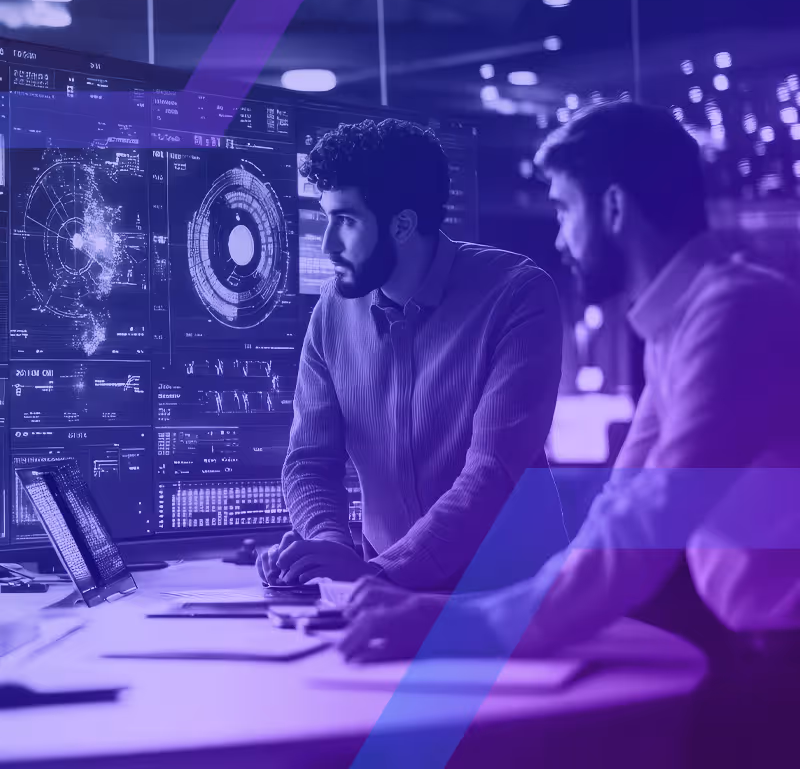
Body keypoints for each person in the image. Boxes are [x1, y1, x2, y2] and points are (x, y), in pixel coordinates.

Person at [339, 102, 800, 690]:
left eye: (564, 208)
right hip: (760, 652)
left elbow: (645, 528)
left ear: (612, 207)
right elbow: (622, 505)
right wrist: (459, 613)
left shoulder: (735, 315)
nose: (560, 237)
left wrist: (457, 625)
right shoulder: (681, 325)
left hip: (785, 658)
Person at [258, 117, 566, 591]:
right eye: (326, 218)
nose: (326, 243)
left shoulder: (517, 294)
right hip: (379, 590)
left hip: (509, 595)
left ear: (402, 224)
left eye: (346, 220)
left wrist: (378, 573)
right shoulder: (332, 310)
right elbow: (309, 462)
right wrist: (329, 549)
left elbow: (492, 472)